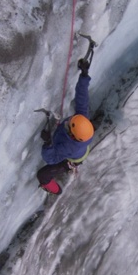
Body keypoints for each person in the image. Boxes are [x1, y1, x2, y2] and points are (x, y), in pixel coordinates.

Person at [37, 59, 94, 195]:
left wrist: (48, 144)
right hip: (78, 149)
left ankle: (56, 191)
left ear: (73, 135)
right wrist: (84, 75)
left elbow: (52, 159)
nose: (68, 121)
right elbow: (82, 98)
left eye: (69, 125)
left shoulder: (67, 147)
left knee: (42, 176)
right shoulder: (81, 121)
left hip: (71, 158)